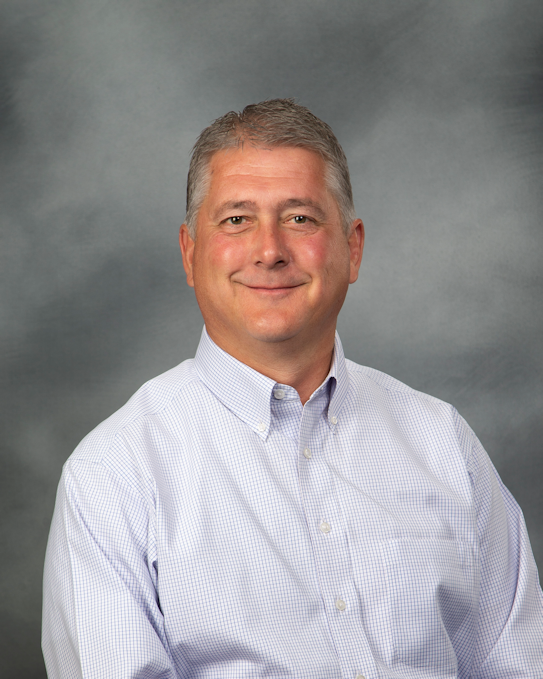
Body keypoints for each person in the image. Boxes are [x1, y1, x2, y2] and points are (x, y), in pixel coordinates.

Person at [42, 99, 543, 678]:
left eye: (300, 218)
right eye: (237, 220)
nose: (270, 250)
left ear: (352, 249)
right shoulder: (113, 476)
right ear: (190, 252)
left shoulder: (442, 442)